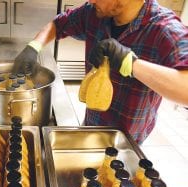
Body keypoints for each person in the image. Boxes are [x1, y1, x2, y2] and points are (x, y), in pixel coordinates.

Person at [12, 0, 188, 144]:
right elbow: (59, 24)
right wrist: (34, 46)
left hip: (127, 140)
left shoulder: (164, 28)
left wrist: (130, 63)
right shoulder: (94, 13)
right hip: (92, 123)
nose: (91, 0)